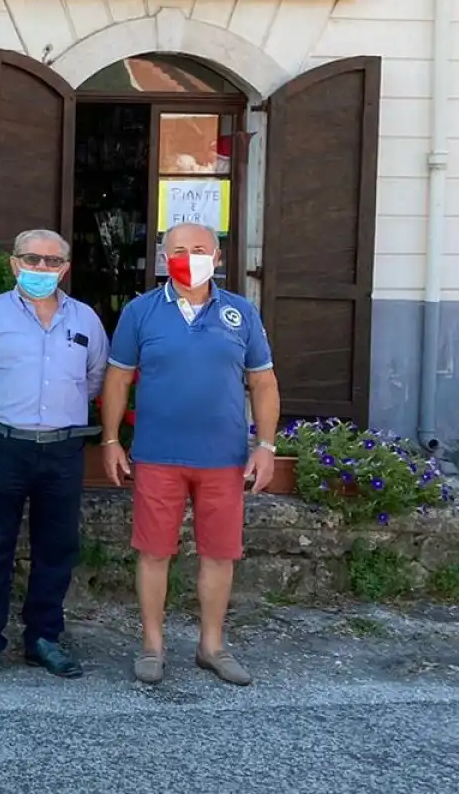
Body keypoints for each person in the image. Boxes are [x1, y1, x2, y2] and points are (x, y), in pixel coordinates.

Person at [100, 222, 280, 687]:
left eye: (199, 249)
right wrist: (110, 439)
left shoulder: (241, 312)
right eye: (178, 249)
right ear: (163, 258)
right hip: (158, 456)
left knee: (219, 554)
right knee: (154, 552)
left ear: (217, 258)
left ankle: (212, 646)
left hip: (222, 458)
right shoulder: (140, 312)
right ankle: (152, 646)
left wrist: (265, 445)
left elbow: (262, 382)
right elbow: (118, 379)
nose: (188, 256)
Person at [0, 228, 108, 679]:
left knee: (56, 547)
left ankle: (43, 637)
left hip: (62, 448)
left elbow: (94, 380)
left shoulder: (86, 320)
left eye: (52, 262)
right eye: (32, 260)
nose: (41, 269)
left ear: (65, 268)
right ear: (14, 264)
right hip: (1, 445)